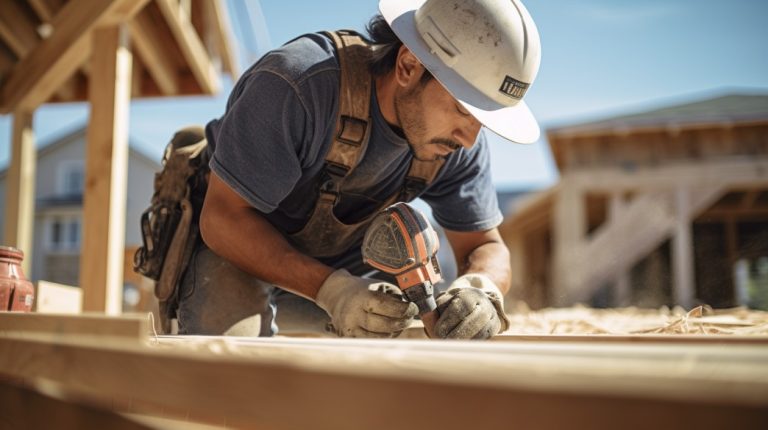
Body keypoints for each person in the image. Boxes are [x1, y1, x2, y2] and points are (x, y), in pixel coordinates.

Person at [174, 0, 541, 339]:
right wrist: (332, 290)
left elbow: (486, 245)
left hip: (347, 279)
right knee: (231, 359)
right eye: (464, 110)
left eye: (483, 119)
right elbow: (223, 218)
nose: (468, 139)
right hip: (235, 253)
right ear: (408, 66)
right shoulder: (298, 85)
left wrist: (482, 286)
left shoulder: (454, 143)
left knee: (406, 351)